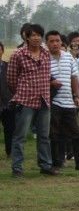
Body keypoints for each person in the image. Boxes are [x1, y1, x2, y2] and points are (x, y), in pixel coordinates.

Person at [7, 24, 57, 177]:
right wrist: (21, 93)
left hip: (44, 99)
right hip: (25, 100)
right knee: (20, 136)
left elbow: (47, 75)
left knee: (44, 135)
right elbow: (11, 79)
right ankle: (17, 168)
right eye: (32, 35)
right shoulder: (18, 54)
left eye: (38, 35)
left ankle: (45, 165)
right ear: (26, 37)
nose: (36, 38)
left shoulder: (46, 54)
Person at [46, 31, 79, 171]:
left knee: (76, 133)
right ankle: (56, 163)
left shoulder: (68, 58)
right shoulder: (44, 59)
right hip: (52, 101)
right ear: (47, 43)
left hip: (68, 101)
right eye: (51, 41)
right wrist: (51, 83)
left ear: (61, 43)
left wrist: (77, 96)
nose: (55, 43)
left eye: (57, 41)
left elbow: (74, 78)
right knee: (54, 134)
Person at [1, 42, 15, 157]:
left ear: (2, 51)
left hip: (7, 103)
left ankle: (10, 152)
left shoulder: (8, 66)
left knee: (9, 129)